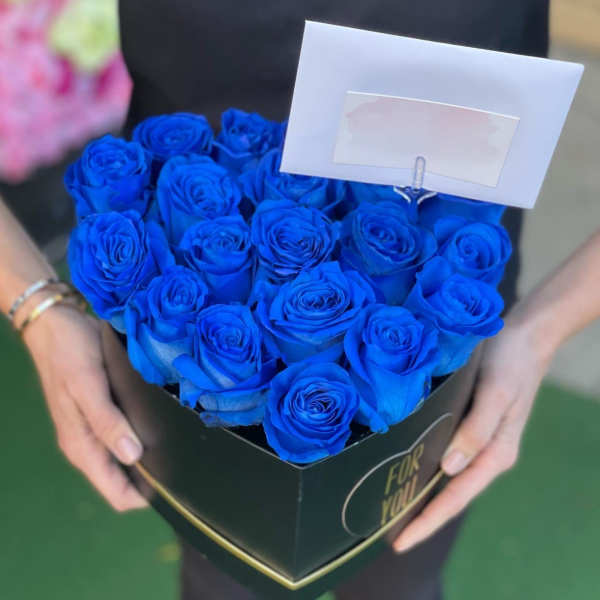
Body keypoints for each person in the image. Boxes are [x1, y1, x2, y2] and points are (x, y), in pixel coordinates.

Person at [2, 0, 597, 598]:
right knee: (222, 566)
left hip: (443, 251)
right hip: (199, 204)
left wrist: (540, 329)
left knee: (404, 562)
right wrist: (36, 305)